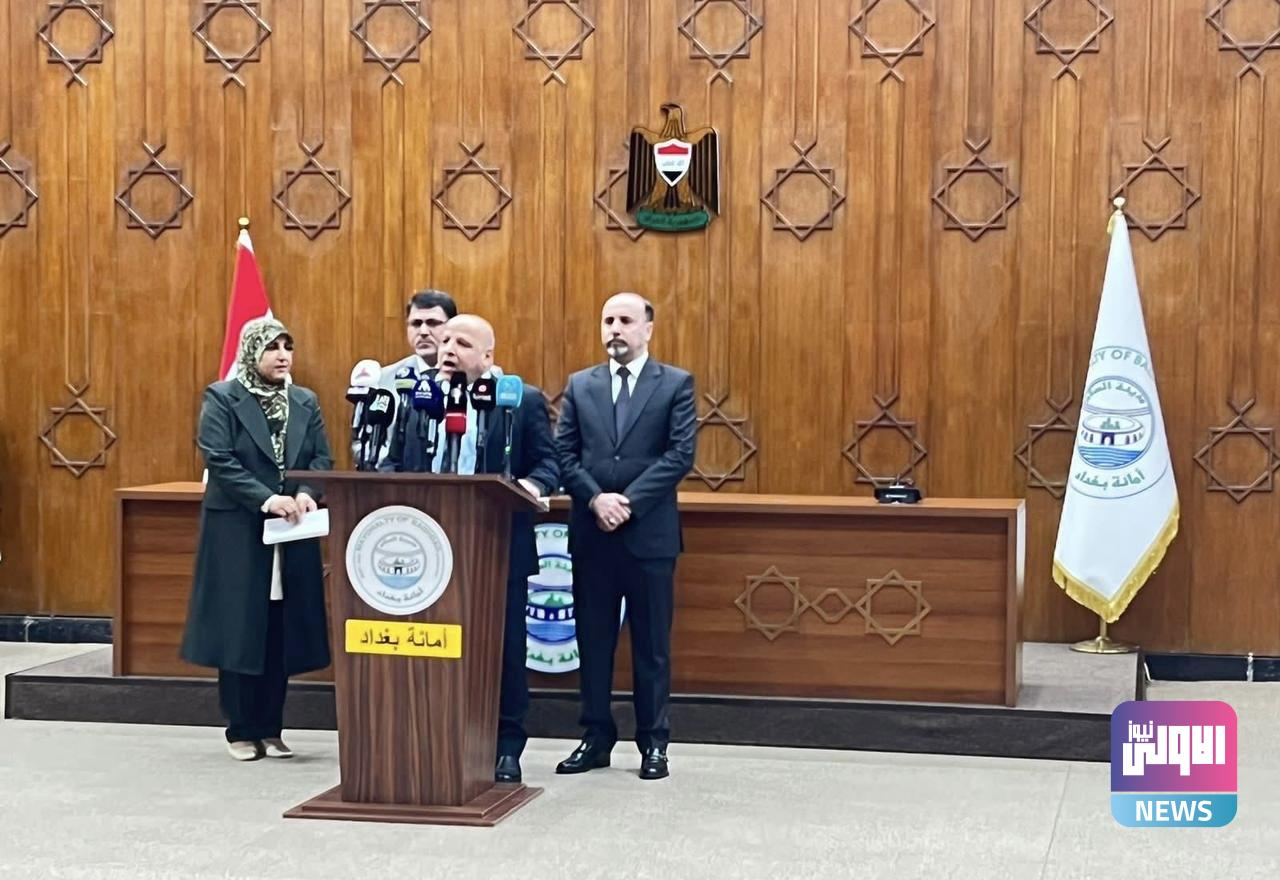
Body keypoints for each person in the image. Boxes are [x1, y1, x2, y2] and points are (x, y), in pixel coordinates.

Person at [384, 314, 558, 784]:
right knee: (431, 648)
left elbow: (549, 463)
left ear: (487, 356)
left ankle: (505, 746)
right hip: (426, 549)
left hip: (497, 547)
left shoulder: (521, 400)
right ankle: (429, 739)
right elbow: (396, 462)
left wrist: (528, 486)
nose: (448, 349)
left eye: (462, 343)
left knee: (502, 650)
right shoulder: (418, 398)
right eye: (445, 341)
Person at [553, 292, 696, 781]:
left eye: (625, 320)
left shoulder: (675, 383)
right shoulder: (581, 384)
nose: (615, 328)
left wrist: (627, 503)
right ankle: (595, 737)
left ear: (647, 329)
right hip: (592, 534)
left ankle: (654, 742)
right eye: (608, 320)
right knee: (593, 643)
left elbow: (679, 455)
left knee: (651, 646)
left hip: (648, 537)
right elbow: (564, 454)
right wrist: (596, 500)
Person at [180, 317, 334, 762]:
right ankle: (240, 729)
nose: (283, 355)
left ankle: (272, 728)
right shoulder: (222, 397)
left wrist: (306, 493)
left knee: (280, 628)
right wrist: (267, 499)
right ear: (252, 352)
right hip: (239, 529)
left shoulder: (304, 400)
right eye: (272, 347)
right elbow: (220, 459)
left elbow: (321, 457)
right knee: (240, 627)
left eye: (288, 346)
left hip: (292, 531)